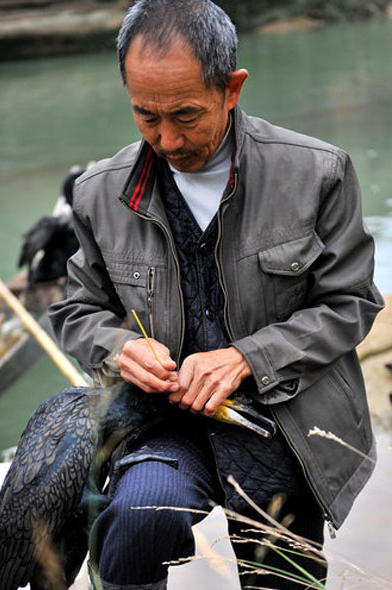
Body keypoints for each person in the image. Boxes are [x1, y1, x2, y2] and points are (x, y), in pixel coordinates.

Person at [49, 1, 384, 588]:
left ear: (231, 88)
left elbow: (350, 304)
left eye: (185, 115)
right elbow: (78, 311)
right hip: (165, 423)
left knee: (280, 574)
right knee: (132, 526)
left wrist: (246, 358)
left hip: (283, 421)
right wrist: (119, 349)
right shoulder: (97, 193)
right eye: (145, 116)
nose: (167, 140)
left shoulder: (319, 174)